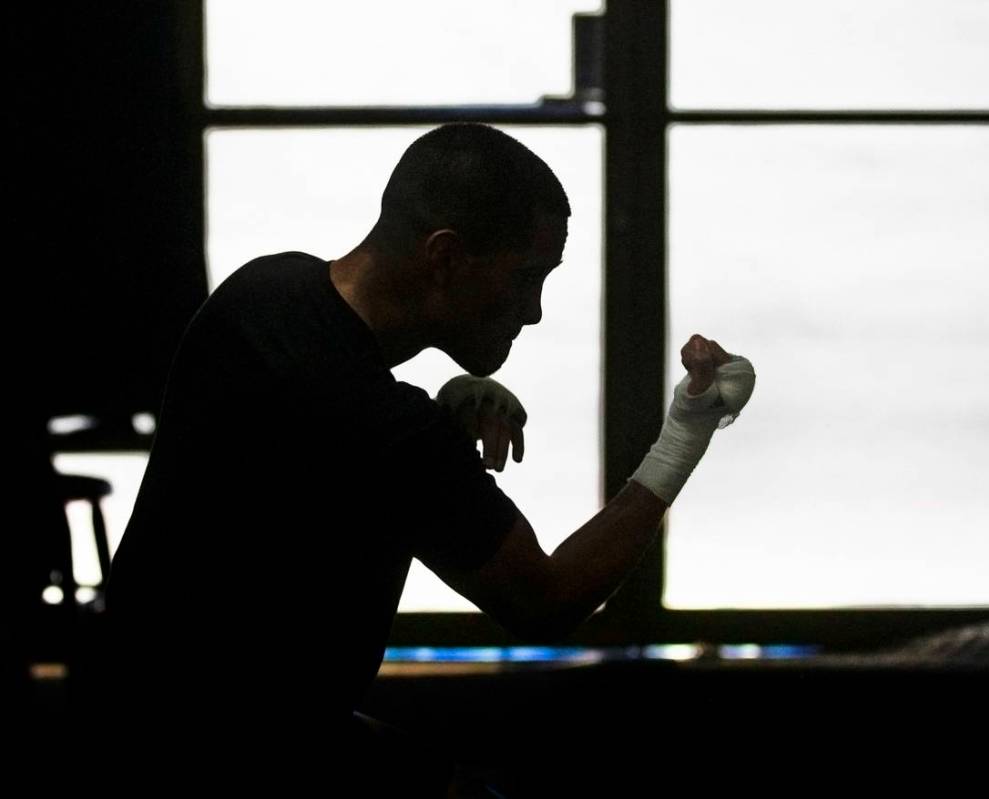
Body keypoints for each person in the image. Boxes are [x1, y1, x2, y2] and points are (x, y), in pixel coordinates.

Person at [104, 123, 755, 790]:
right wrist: (686, 432)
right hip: (232, 760)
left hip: (131, 719)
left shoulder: (262, 292)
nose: (532, 311)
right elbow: (546, 599)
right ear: (444, 258)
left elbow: (314, 458)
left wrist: (443, 404)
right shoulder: (390, 431)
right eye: (525, 276)